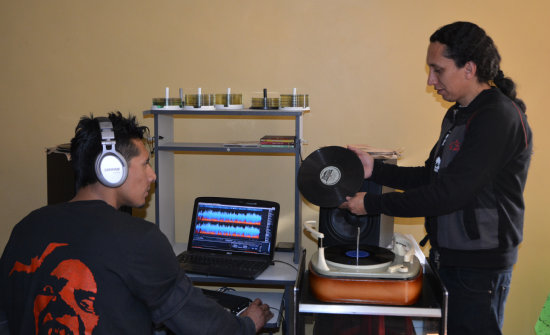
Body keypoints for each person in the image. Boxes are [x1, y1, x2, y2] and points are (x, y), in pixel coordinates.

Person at [0, 111, 273, 334]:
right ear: (111, 168)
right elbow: (201, 326)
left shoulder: (27, 226)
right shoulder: (139, 238)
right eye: (145, 164)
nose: (152, 175)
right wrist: (247, 323)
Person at [340, 21, 532, 335]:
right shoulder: (458, 114)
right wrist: (375, 170)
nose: (431, 81)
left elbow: (450, 194)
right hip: (450, 260)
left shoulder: (497, 117)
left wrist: (372, 204)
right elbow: (433, 176)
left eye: (438, 70)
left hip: (479, 269)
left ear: (469, 68)